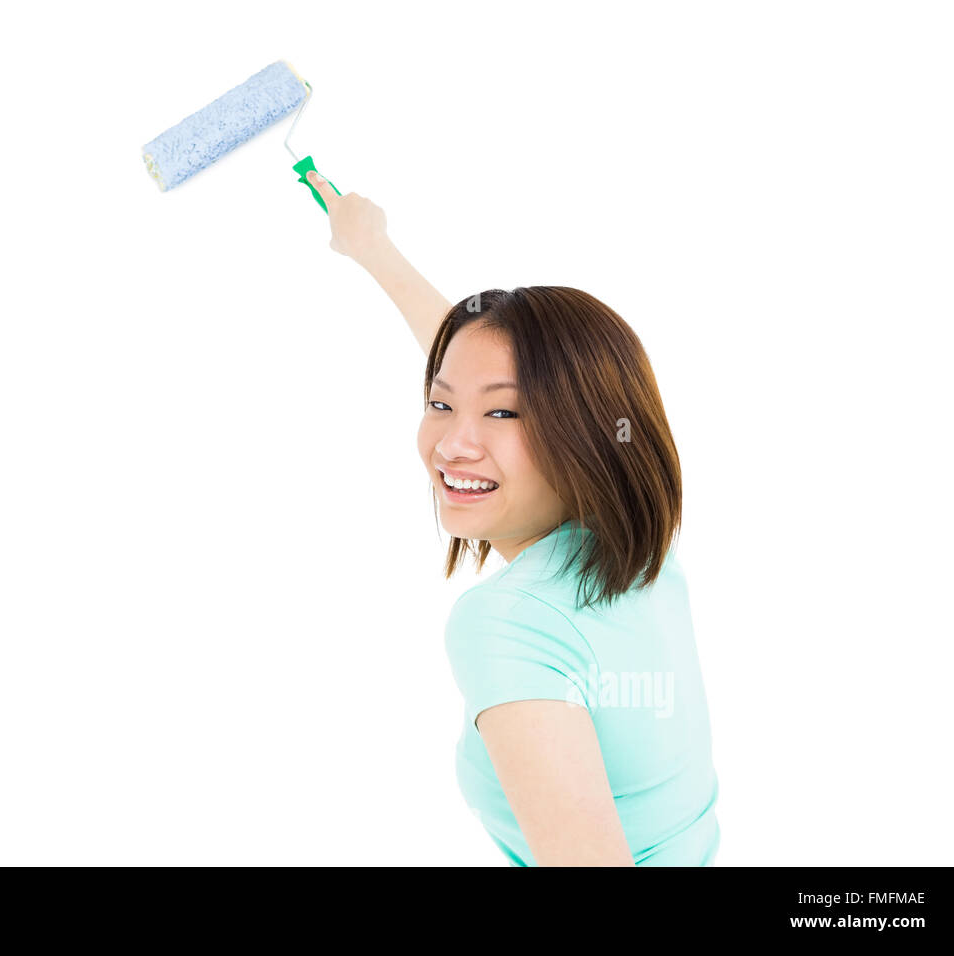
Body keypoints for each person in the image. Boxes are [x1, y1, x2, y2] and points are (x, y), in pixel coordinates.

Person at [306, 170, 721, 866]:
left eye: (504, 413)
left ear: (585, 432)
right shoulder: (639, 550)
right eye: (440, 404)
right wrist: (372, 246)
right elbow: (474, 357)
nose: (453, 442)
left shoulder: (509, 623)